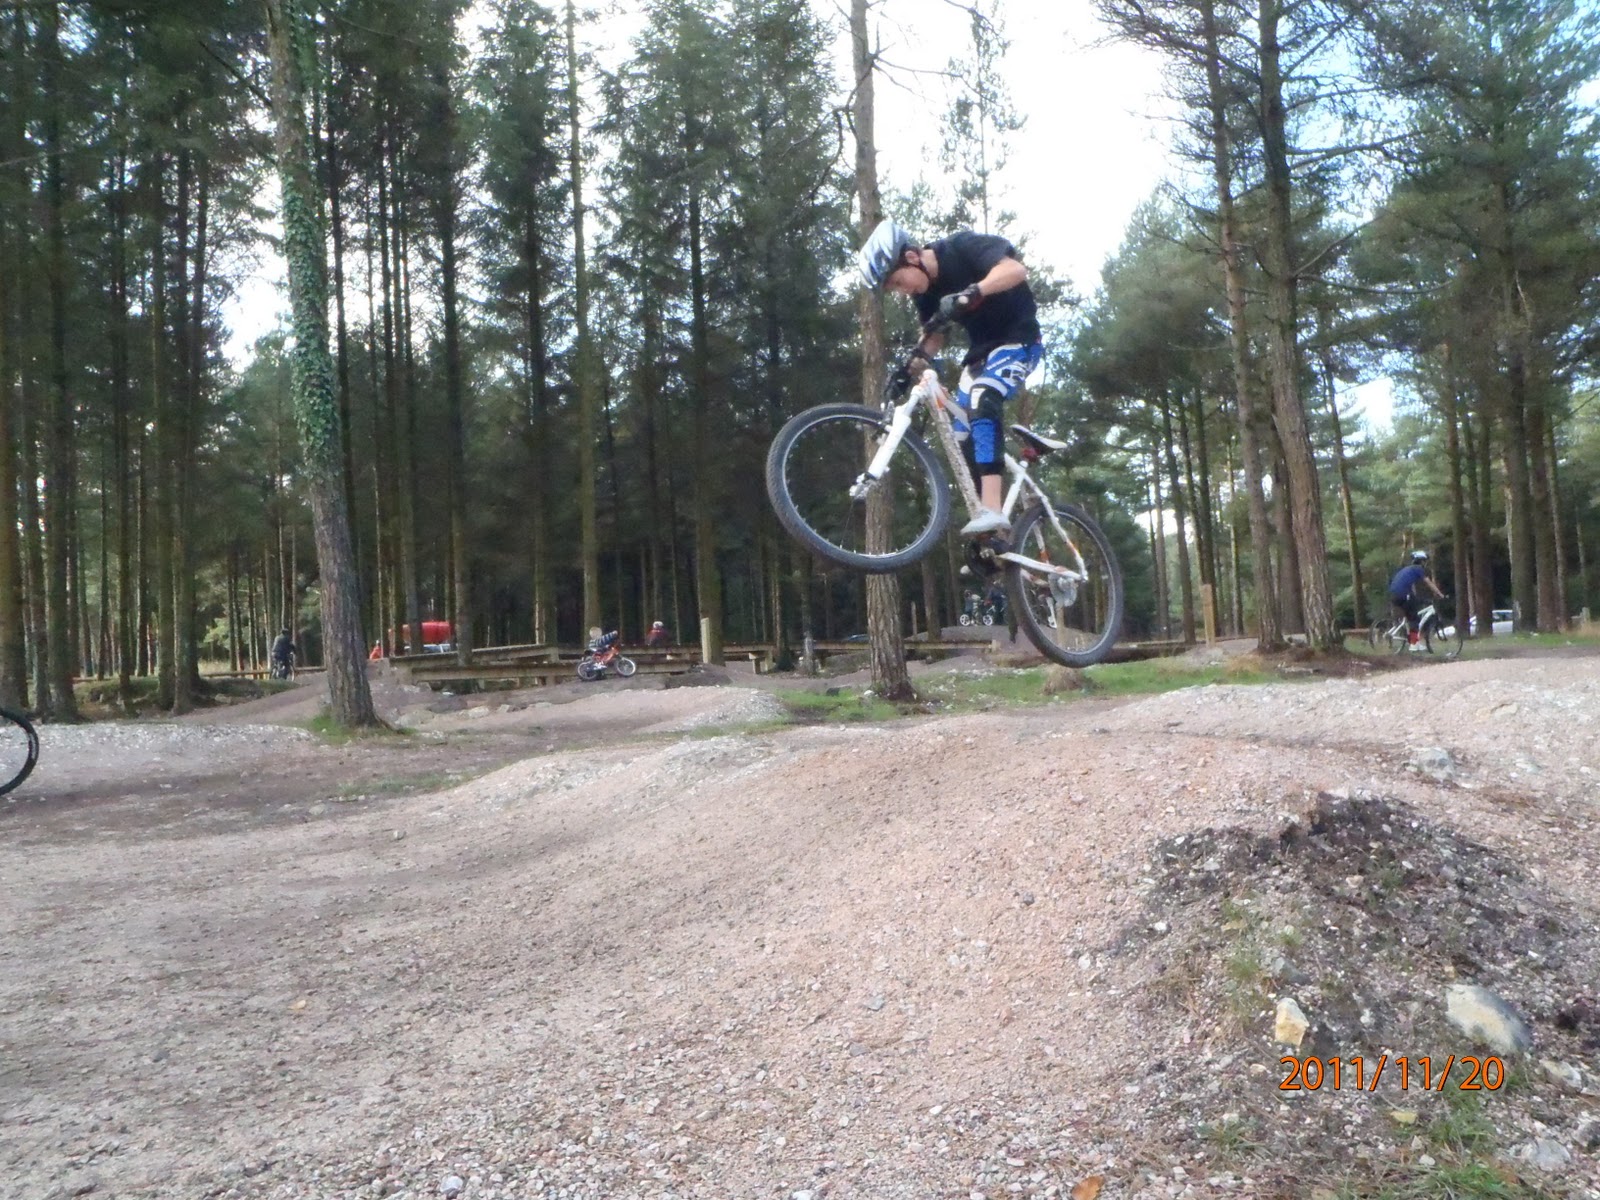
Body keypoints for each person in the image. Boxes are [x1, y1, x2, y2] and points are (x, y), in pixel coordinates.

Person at [857, 218, 1044, 538]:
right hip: (979, 356)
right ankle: (997, 544)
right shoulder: (925, 293)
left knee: (984, 397)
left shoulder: (962, 247)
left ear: (912, 258)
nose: (903, 293)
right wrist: (909, 366)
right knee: (960, 438)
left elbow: (1015, 271)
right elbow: (934, 334)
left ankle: (993, 509)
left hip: (1019, 342)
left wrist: (972, 292)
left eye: (899, 283)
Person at [1388, 550, 1444, 650]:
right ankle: (1413, 644)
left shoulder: (1407, 569)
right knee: (1414, 619)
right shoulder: (1418, 569)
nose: (1425, 563)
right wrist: (1440, 594)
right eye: (1425, 561)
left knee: (1411, 613)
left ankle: (1411, 639)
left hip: (1394, 595)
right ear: (1422, 561)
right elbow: (1428, 583)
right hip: (1404, 594)